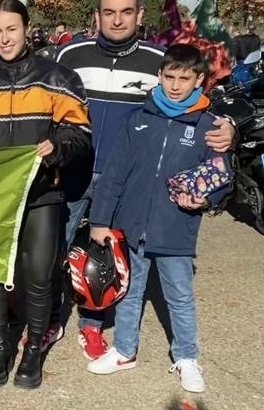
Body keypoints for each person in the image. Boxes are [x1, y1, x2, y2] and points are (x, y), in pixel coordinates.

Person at [54, 0, 234, 360]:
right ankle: (52, 318)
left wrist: (230, 126)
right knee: (57, 250)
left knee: (104, 260)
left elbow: (196, 106)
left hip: (123, 182)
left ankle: (92, 325)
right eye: (108, 12)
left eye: (125, 12)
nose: (116, 19)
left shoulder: (159, 59)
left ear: (139, 15)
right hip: (73, 173)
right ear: (97, 16)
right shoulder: (70, 53)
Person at [0, 0, 91, 389]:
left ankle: (32, 352)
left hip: (43, 195)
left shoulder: (58, 78)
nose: (4, 38)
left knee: (40, 275)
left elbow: (81, 137)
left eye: (12, 29)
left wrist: (57, 148)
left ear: (27, 28)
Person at [86, 44, 231, 393]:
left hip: (175, 229)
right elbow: (114, 175)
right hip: (131, 225)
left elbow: (222, 174)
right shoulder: (137, 119)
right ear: (160, 76)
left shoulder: (208, 125)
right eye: (170, 77)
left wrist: (206, 198)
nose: (176, 85)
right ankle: (123, 350)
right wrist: (99, 220)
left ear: (199, 80)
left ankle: (186, 357)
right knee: (130, 292)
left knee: (179, 295)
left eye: (185, 78)